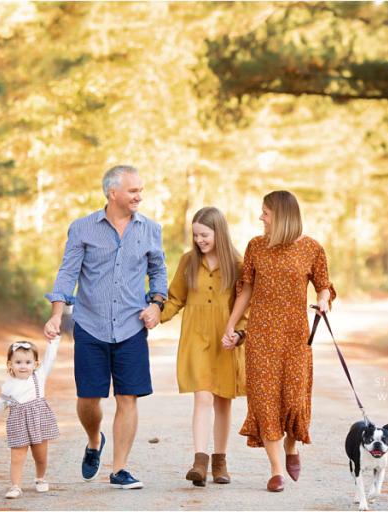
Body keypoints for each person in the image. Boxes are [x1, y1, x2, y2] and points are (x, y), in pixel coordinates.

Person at [43, 165, 167, 490]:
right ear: (113, 193)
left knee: (128, 397)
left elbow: (159, 272)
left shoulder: (150, 230)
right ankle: (93, 439)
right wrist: (57, 314)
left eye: (140, 190)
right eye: (133, 191)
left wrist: (155, 305)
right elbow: (67, 274)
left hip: (131, 327)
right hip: (90, 325)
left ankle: (119, 469)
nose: (140, 195)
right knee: (89, 399)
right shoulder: (82, 228)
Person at [222, 190, 335, 493]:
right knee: (264, 399)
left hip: (296, 337)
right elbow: (245, 290)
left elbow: (324, 286)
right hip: (261, 337)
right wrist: (231, 325)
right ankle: (275, 470)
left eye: (266, 213)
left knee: (294, 398)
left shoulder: (311, 249)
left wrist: (323, 301)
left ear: (282, 216)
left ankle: (292, 446)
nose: (261, 218)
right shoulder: (256, 247)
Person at [160, 207, 247, 487]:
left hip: (226, 339)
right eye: (196, 235)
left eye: (205, 235)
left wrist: (239, 334)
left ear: (219, 232)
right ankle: (200, 461)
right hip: (196, 338)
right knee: (203, 398)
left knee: (223, 401)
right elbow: (175, 298)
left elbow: (246, 305)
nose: (199, 240)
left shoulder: (238, 264)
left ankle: (220, 462)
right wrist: (156, 315)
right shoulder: (188, 262)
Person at [0, 337, 61, 499]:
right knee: (17, 457)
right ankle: (15, 486)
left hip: (38, 421)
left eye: (28, 362)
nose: (23, 366)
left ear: (35, 364)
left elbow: (50, 358)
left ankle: (40, 478)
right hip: (18, 424)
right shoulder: (8, 386)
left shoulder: (39, 376)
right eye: (18, 362)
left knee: (40, 456)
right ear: (10, 365)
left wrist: (53, 340)